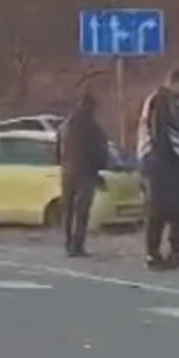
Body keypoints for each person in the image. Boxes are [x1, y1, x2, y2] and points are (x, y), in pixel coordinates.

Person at [137, 67, 179, 270]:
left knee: (165, 211)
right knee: (165, 210)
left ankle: (171, 253)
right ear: (176, 82)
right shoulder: (162, 101)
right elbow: (165, 134)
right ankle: (167, 254)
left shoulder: (164, 101)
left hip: (159, 162)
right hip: (159, 163)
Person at [53, 91, 110, 257]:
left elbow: (57, 150)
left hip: (67, 171)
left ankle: (68, 243)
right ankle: (77, 245)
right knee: (82, 211)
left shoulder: (64, 126)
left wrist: (62, 163)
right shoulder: (92, 127)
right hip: (86, 173)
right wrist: (100, 169)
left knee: (68, 209)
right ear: (91, 106)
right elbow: (100, 150)